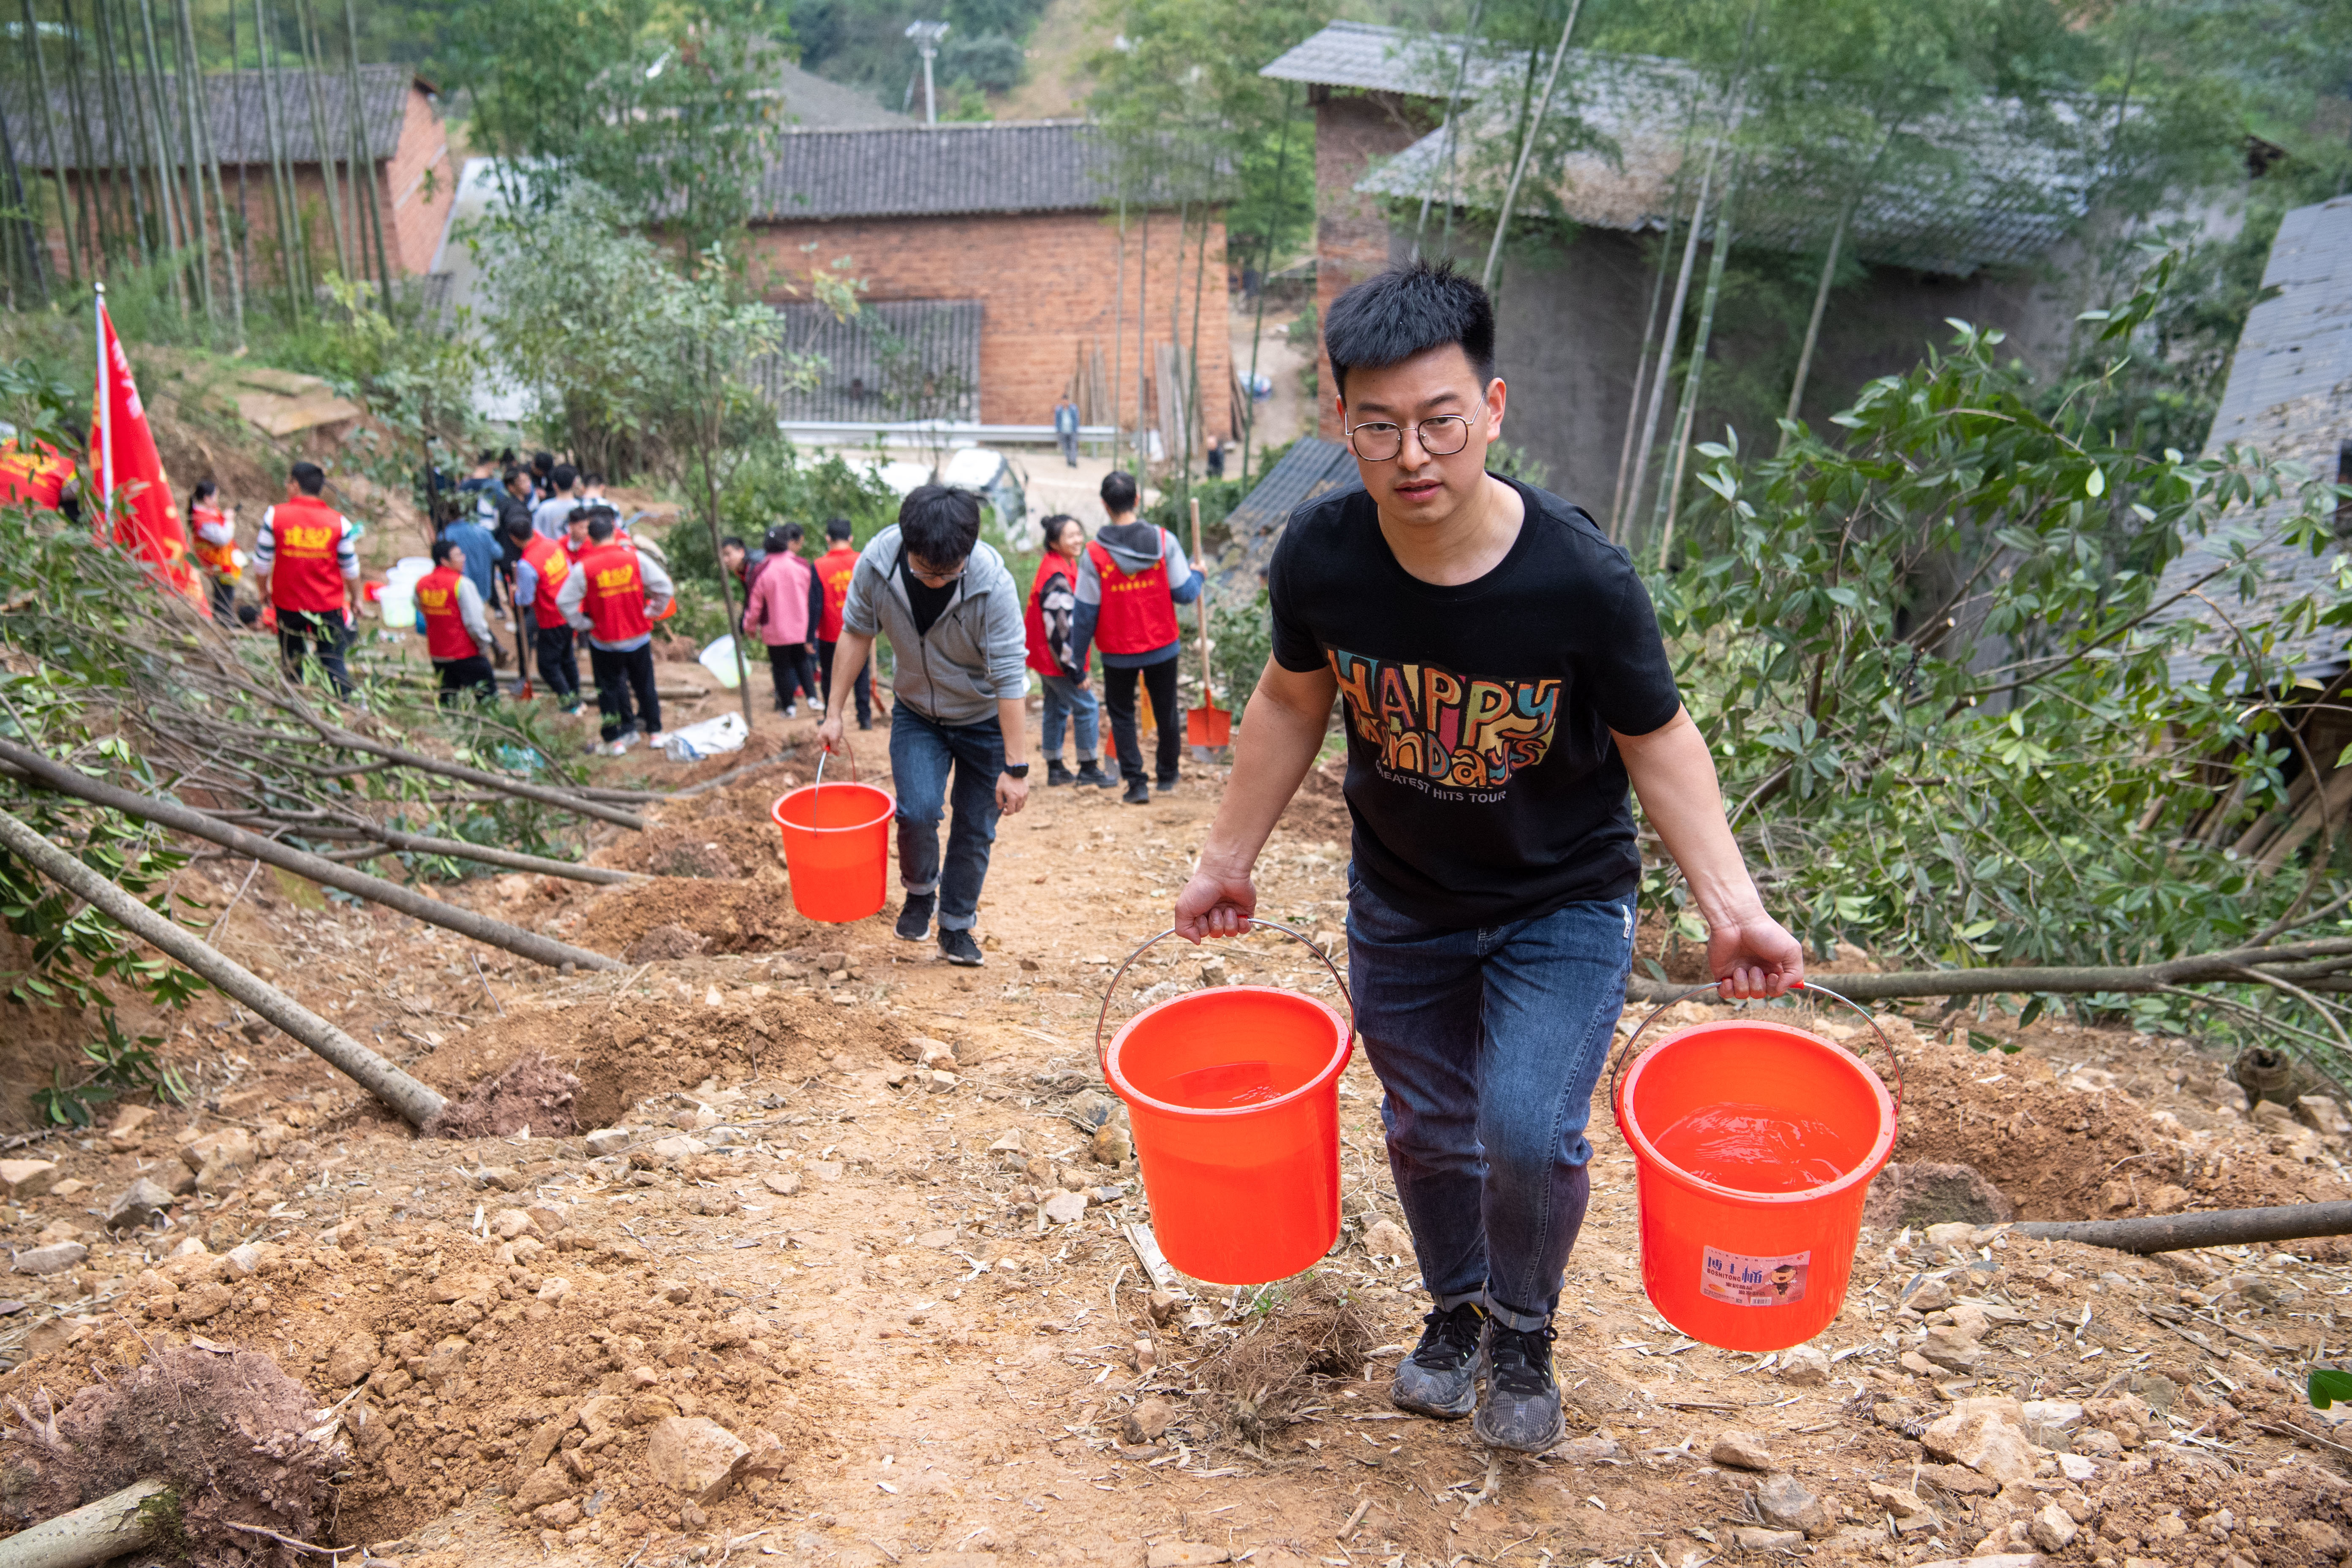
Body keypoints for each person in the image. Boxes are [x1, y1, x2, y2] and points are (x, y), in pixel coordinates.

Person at [1171, 260, 1804, 1453]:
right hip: (1404, 897)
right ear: (1343, 423)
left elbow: (1659, 741)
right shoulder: (1323, 556)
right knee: (1422, 1124)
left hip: (1559, 899)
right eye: (1380, 426)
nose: (1414, 455)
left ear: (1493, 409)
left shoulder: (1579, 576)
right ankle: (1454, 1310)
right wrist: (1227, 855)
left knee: (1525, 1128)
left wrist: (1733, 905)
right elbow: (1291, 702)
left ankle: (1525, 1329)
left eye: (1440, 421)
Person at [817, 486, 1028, 968]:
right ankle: (919, 891)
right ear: (906, 544)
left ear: (968, 553)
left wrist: (1016, 766)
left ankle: (956, 926)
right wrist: (834, 712)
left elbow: (1011, 677)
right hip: (916, 714)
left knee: (975, 827)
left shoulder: (992, 584)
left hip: (983, 723)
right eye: (924, 570)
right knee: (915, 810)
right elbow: (856, 632)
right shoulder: (877, 563)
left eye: (947, 572)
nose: (934, 581)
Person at [1072, 470, 1202, 805]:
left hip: (1117, 651)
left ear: (1104, 505)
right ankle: (1168, 775)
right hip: (1162, 647)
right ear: (1138, 499)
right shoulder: (1163, 541)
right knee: (1166, 711)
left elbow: (1085, 614)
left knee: (1123, 715)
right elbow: (1185, 594)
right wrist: (1199, 574)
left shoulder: (1094, 555)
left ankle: (1136, 783)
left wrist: (1078, 662)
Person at [558, 508, 674, 751]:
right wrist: (652, 612)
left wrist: (583, 624)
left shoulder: (584, 567)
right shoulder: (634, 558)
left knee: (609, 691)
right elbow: (664, 587)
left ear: (590, 537)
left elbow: (564, 602)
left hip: (605, 642)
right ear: (614, 531)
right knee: (645, 687)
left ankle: (615, 740)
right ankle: (655, 733)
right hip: (638, 637)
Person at [252, 461, 359, 696]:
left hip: (288, 604)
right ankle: (343, 707)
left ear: (295, 485)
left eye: (288, 482)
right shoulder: (339, 523)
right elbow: (350, 568)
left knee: (292, 659)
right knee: (333, 660)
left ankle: (296, 707)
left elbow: (261, 562)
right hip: (328, 605)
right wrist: (356, 598)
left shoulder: (275, 516)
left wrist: (263, 590)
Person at [1025, 514, 1108, 787]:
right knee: (1087, 706)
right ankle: (1088, 767)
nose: (1077, 540)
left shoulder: (1059, 566)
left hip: (1043, 657)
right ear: (1053, 543)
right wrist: (1075, 670)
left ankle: (1055, 766)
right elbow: (1059, 633)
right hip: (1056, 659)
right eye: (1069, 536)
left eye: (1079, 533)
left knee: (1056, 706)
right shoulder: (1057, 577)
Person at [508, 512, 583, 712]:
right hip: (570, 610)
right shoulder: (552, 545)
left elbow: (526, 599)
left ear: (514, 539)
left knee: (548, 665)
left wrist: (514, 594)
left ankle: (569, 701)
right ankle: (576, 696)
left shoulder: (527, 564)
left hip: (552, 618)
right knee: (567, 658)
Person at [742, 523, 819, 716]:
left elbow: (755, 606)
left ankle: (789, 706)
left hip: (774, 631)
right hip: (800, 627)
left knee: (781, 667)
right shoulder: (801, 565)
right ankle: (812, 698)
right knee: (802, 661)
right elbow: (813, 598)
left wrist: (749, 627)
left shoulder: (762, 570)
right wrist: (814, 628)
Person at [414, 537, 498, 705]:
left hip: (439, 654)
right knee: (488, 701)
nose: (463, 558)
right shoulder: (462, 584)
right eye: (458, 555)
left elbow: (420, 607)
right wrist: (484, 645)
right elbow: (474, 623)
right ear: (444, 560)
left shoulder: (421, 584)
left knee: (449, 700)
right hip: (466, 654)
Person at [813, 517, 874, 730]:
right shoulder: (863, 560)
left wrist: (810, 634)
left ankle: (829, 716)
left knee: (829, 675)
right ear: (851, 538)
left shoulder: (820, 566)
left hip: (830, 632)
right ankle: (865, 718)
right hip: (860, 630)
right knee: (861, 674)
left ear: (828, 538)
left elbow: (815, 604)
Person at [189, 480, 240, 624]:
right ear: (207, 498)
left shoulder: (206, 512)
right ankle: (223, 623)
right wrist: (230, 521)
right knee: (224, 593)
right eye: (216, 496)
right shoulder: (202, 519)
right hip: (215, 564)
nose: (217, 500)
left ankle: (224, 621)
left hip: (220, 562)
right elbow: (223, 538)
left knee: (225, 593)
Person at [533, 463, 584, 542]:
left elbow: (536, 532)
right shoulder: (582, 506)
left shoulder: (544, 508)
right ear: (574, 483)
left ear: (554, 485)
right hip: (577, 553)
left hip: (551, 553)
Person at [1053, 395, 1081, 468]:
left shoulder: (1073, 409)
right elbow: (1057, 420)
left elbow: (1077, 418)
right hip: (1063, 431)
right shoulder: (1059, 410)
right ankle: (1069, 461)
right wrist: (1058, 430)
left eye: (1066, 401)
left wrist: (1076, 429)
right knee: (1066, 447)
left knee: (1073, 447)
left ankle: (1073, 462)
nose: (1065, 403)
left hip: (1072, 431)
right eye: (1064, 402)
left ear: (1068, 401)